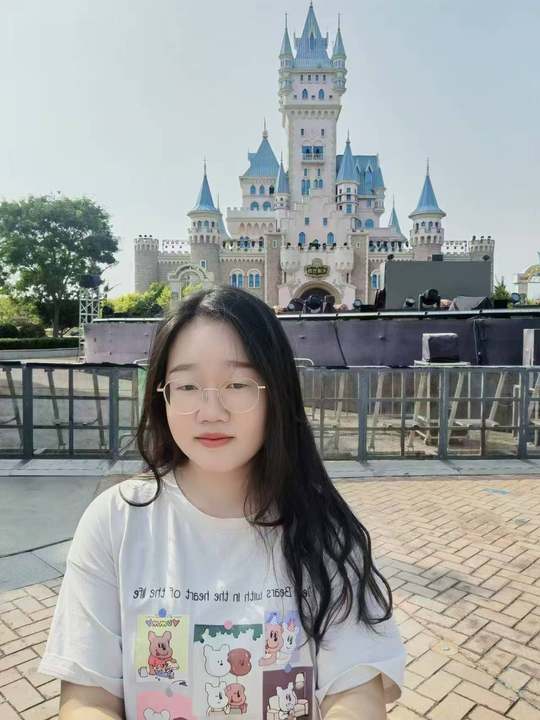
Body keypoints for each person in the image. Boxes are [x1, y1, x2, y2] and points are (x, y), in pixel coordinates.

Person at [38, 286, 406, 720]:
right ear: (162, 394)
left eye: (237, 384)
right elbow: (88, 697)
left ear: (277, 392)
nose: (211, 411)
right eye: (187, 385)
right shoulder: (115, 521)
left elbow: (356, 693)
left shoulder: (326, 529)